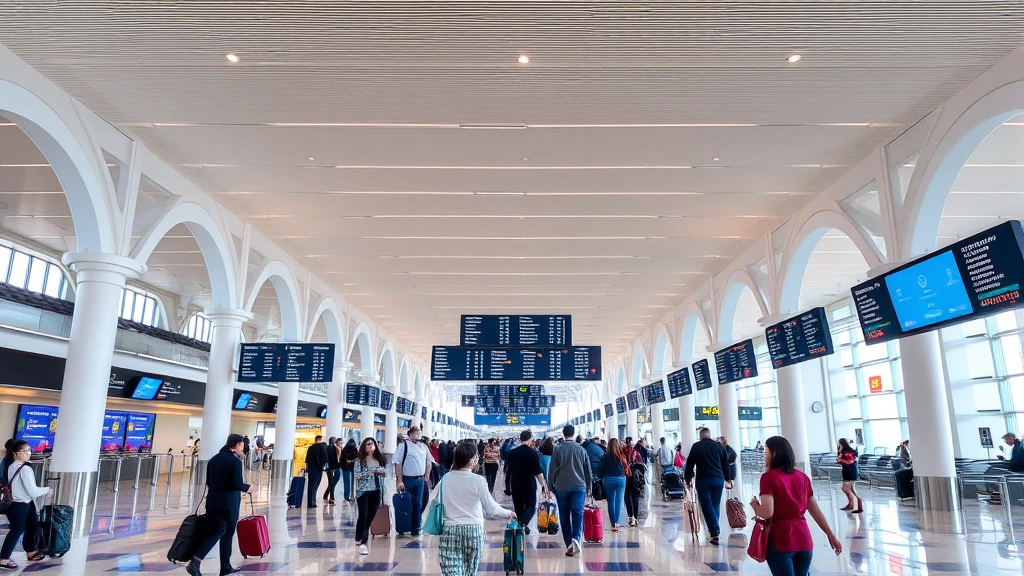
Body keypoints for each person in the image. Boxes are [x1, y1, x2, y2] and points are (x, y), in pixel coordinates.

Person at [750, 436, 842, 576]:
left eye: (766, 451)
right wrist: (831, 535)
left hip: (781, 540)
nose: (764, 455)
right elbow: (815, 510)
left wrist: (755, 505)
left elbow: (767, 512)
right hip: (804, 540)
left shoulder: (768, 477)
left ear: (774, 453)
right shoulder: (802, 477)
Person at [435, 441, 516, 576]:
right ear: (472, 460)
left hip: (450, 530)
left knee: (452, 572)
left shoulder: (445, 479)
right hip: (474, 531)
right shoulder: (478, 480)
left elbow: (436, 503)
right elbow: (492, 508)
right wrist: (508, 512)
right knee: (469, 572)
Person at [187, 434, 254, 576]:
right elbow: (236, 483)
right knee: (224, 533)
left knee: (217, 531)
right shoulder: (235, 462)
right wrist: (248, 488)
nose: (243, 448)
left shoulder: (214, 459)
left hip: (212, 502)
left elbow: (209, 482)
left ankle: (225, 567)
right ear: (236, 446)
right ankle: (195, 561)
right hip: (229, 504)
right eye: (242, 445)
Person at [1, 440, 50, 570]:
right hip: (20, 504)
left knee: (30, 526)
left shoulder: (10, 466)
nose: (29, 453)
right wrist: (48, 489)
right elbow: (33, 491)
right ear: (16, 454)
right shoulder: (25, 468)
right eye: (25, 451)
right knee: (16, 531)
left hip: (17, 504)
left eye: (29, 450)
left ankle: (31, 552)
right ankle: (4, 559)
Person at [548, 425, 592, 557]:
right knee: (578, 512)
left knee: (564, 515)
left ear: (563, 434)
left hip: (561, 487)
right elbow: (588, 471)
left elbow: (551, 470)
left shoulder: (558, 449)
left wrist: (550, 487)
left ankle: (569, 544)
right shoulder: (581, 449)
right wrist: (590, 488)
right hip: (579, 487)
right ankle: (576, 539)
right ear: (573, 434)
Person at [684, 428, 733, 546]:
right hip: (718, 480)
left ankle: (714, 531)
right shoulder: (719, 446)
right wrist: (728, 478)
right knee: (715, 505)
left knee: (706, 505)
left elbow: (689, 464)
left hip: (703, 480)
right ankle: (714, 528)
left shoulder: (697, 446)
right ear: (710, 436)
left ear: (700, 436)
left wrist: (687, 479)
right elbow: (725, 464)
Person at [394, 426, 435, 536]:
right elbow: (398, 463)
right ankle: (404, 526)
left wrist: (427, 474)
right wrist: (399, 480)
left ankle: (416, 527)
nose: (418, 436)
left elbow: (429, 462)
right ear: (410, 435)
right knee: (407, 504)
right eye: (416, 433)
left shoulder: (423, 447)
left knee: (419, 503)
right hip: (407, 479)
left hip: (420, 480)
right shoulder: (404, 446)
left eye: (419, 433)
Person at [505, 430, 548, 534]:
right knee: (531, 506)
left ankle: (523, 524)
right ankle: (522, 522)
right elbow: (538, 472)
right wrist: (543, 486)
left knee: (518, 506)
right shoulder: (532, 453)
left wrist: (507, 486)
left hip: (516, 483)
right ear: (529, 439)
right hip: (529, 483)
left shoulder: (513, 452)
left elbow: (508, 471)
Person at [353, 437, 387, 555]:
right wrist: (371, 471)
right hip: (363, 491)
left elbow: (384, 472)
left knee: (370, 516)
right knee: (363, 515)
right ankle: (363, 541)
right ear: (364, 446)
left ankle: (360, 536)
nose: (370, 446)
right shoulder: (360, 460)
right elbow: (357, 475)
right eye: (368, 444)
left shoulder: (379, 459)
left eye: (372, 444)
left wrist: (381, 471)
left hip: (376, 490)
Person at [596, 438, 628, 533]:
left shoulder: (605, 457)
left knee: (611, 502)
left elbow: (599, 469)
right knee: (619, 502)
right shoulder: (621, 455)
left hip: (609, 479)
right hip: (621, 479)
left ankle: (613, 524)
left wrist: (601, 476)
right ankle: (616, 523)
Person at [836, 438, 863, 513]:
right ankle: (851, 504)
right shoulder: (843, 452)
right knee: (846, 489)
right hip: (847, 472)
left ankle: (859, 506)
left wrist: (840, 460)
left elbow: (850, 462)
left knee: (850, 489)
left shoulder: (847, 452)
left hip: (850, 473)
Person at [624, 440, 645, 527]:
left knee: (628, 496)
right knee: (636, 497)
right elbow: (642, 466)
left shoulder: (623, 453)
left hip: (626, 476)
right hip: (636, 477)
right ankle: (635, 517)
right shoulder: (636, 453)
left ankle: (630, 516)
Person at [304, 435, 329, 508]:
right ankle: (312, 502)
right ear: (320, 439)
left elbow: (307, 460)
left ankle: (310, 501)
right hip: (318, 469)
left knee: (311, 484)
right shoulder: (321, 447)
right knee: (315, 484)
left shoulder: (310, 448)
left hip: (311, 468)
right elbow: (324, 458)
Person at [325, 437, 342, 505]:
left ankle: (327, 496)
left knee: (331, 483)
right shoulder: (334, 448)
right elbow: (337, 459)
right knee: (332, 483)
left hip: (329, 468)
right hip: (334, 467)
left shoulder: (327, 447)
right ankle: (330, 498)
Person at [341, 439, 358, 504]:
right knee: (352, 483)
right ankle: (352, 495)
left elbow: (341, 459)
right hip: (353, 468)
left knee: (346, 483)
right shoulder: (355, 450)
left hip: (345, 468)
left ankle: (346, 497)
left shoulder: (344, 450)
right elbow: (357, 459)